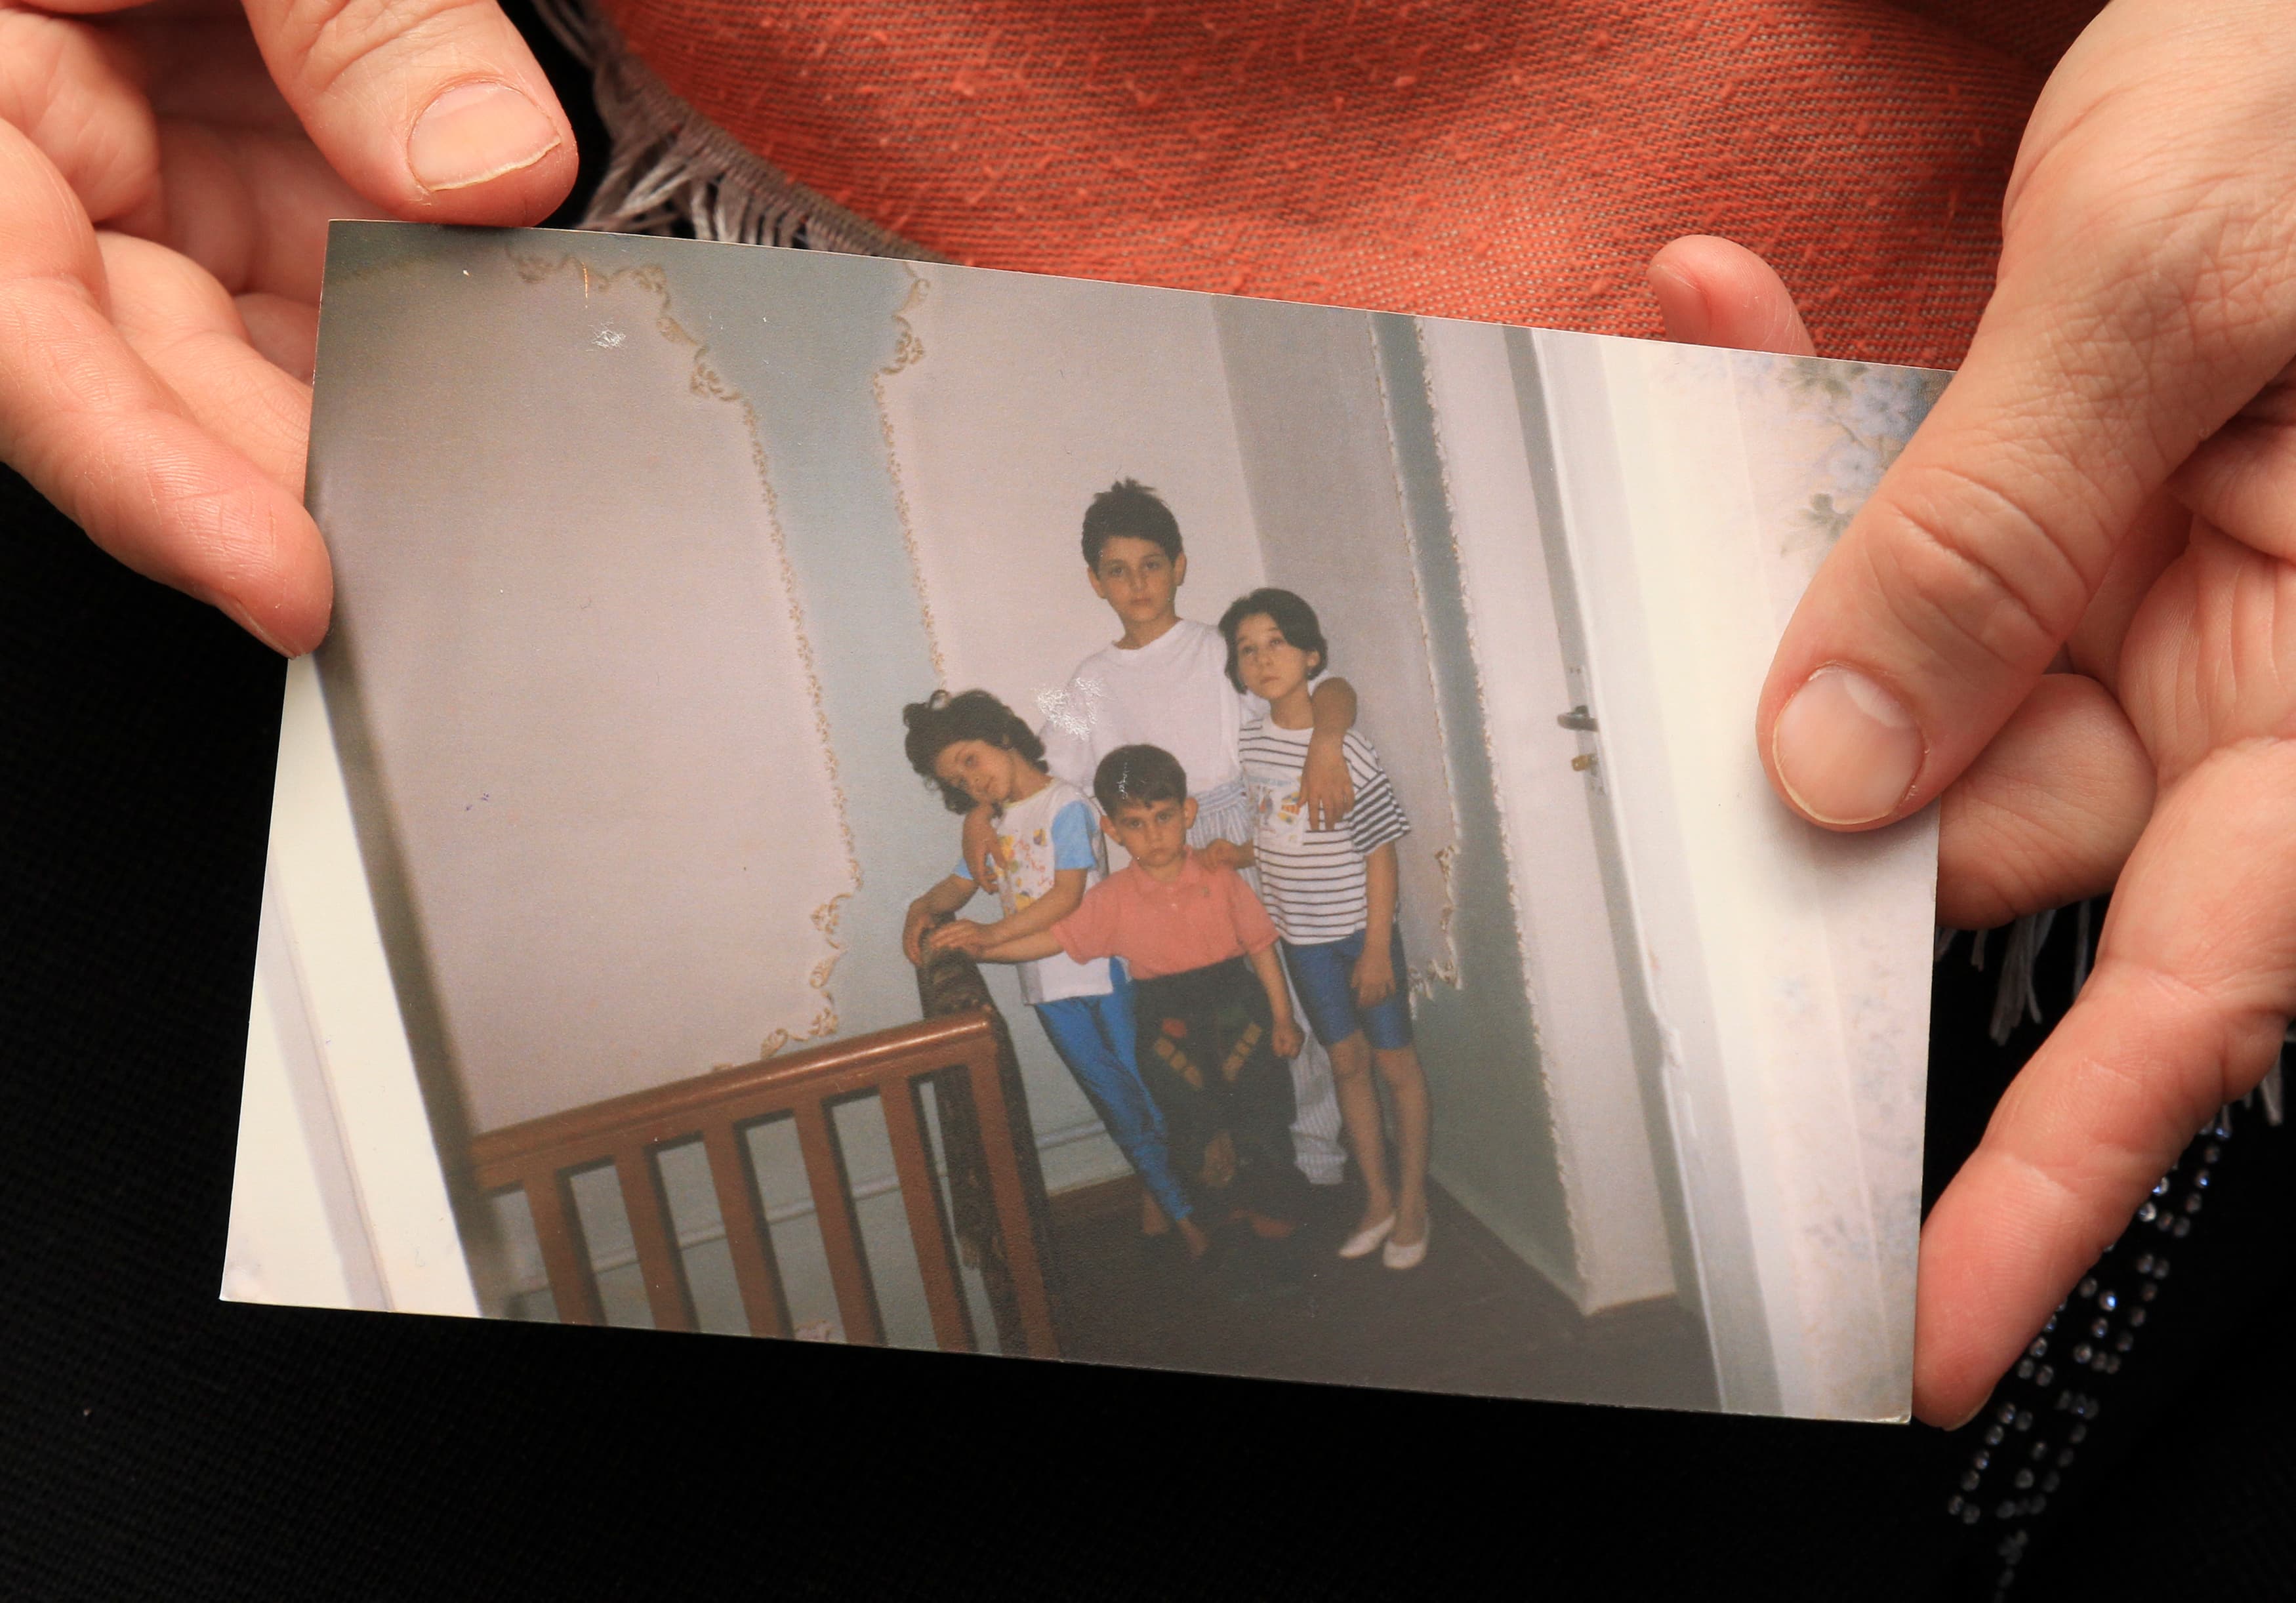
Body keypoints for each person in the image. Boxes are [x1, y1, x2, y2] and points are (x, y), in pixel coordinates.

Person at [9, 0, 2294, 1431]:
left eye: (1157, 582)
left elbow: (1250, 797)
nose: (1147, 605)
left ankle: (1291, 1181)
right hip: (367, 186)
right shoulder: (1092, 699)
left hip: (2040, 439)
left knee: (1310, 1059)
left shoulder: (1237, 677)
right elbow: (1102, 820)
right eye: (1116, 585)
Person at [970, 479, 1354, 1203]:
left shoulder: (1217, 646)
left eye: (1151, 564)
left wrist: (1327, 741)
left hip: (1230, 830)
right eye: (1117, 570)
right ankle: (1236, 1160)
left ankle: (1315, 1157)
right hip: (1148, 846)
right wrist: (976, 813)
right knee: (1192, 1017)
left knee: (1280, 1001)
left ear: (1179, 565)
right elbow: (1035, 766)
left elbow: (1323, 688)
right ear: (1094, 582)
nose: (1136, 582)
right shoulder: (1086, 680)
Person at [943, 744, 1310, 1246]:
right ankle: (1226, 1237)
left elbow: (1263, 947)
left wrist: (1283, 1018)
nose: (1154, 834)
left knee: (1260, 1120)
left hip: (1239, 1015)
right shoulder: (1111, 900)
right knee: (1194, 1134)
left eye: (1163, 817)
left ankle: (1280, 1232)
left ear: (1187, 812)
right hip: (1167, 1028)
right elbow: (1055, 939)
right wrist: (985, 945)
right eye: (1135, 823)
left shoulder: (1219, 878)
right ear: (1113, 831)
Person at [897, 689, 1207, 1261]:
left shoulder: (1068, 805)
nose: (972, 781)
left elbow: (1068, 898)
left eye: (972, 759)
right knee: (1117, 1108)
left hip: (1104, 974)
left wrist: (987, 936)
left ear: (1003, 737)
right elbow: (959, 883)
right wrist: (923, 906)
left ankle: (1189, 1201)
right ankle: (1184, 1216)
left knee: (1153, 1097)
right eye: (957, 780)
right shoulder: (991, 822)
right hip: (1047, 991)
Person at [1221, 589, 1431, 1271]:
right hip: (1301, 940)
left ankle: (1412, 1201)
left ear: (1310, 653)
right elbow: (1276, 823)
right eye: (1247, 648)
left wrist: (1375, 945)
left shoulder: (1344, 747)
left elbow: (1379, 849)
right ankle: (1373, 1196)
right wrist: (1242, 853)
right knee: (1344, 1062)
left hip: (1357, 936)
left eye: (1275, 641)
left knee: (1394, 1064)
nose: (1261, 658)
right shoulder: (1251, 740)